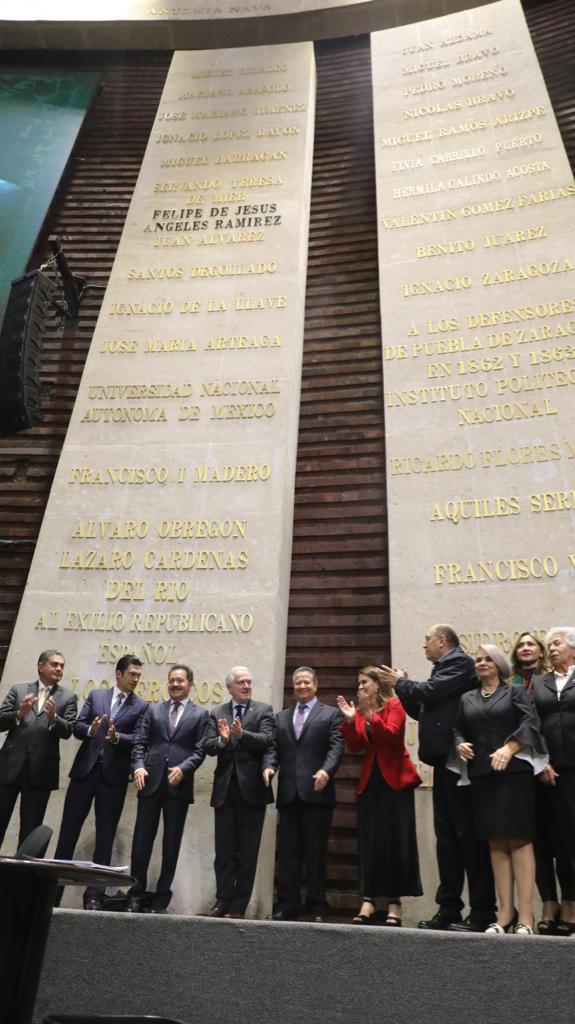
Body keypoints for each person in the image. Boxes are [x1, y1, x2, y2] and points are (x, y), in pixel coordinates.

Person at [380, 624, 496, 931]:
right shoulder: (443, 668)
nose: (424, 646)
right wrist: (401, 689)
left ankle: (483, 910)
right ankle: (449, 908)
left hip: (461, 763)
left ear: (442, 641)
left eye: (427, 640)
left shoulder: (458, 663)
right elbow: (423, 708)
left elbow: (429, 693)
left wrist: (402, 682)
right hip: (445, 763)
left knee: (466, 837)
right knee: (447, 839)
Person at [454, 643, 547, 935]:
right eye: (478, 660)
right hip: (482, 774)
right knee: (495, 842)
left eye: (487, 659)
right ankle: (505, 914)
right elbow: (458, 728)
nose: (481, 663)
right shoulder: (467, 697)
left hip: (513, 775)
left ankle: (527, 917)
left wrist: (509, 747)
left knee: (519, 840)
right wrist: (459, 744)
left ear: (499, 665)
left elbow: (530, 723)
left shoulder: (515, 692)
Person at [54, 654, 148, 909]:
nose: (136, 680)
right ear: (118, 674)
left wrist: (118, 738)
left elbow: (139, 740)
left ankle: (94, 896)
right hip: (84, 773)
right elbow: (78, 726)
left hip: (113, 779)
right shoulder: (97, 696)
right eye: (132, 674)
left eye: (139, 675)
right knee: (67, 834)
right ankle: (52, 894)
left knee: (105, 838)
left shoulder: (141, 707)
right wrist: (90, 731)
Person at [337, 666, 422, 926]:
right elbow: (356, 744)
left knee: (396, 842)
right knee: (371, 841)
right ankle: (369, 900)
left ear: (376, 684)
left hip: (395, 783)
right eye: (358, 683)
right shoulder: (363, 711)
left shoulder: (394, 704)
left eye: (364, 683)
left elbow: (392, 736)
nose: (360, 687)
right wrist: (352, 720)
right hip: (371, 783)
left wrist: (371, 714)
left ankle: (394, 903)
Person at [263, 666, 344, 922]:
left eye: (306, 682)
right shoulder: (281, 717)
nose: (301, 687)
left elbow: (336, 747)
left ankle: (318, 905)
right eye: (297, 683)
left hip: (317, 794)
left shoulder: (331, 715)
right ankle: (287, 905)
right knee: (288, 853)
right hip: (288, 794)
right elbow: (273, 748)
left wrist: (326, 771)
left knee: (316, 852)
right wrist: (269, 766)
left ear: (316, 685)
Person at [128, 663, 208, 913]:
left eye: (180, 681)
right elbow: (139, 743)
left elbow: (201, 749)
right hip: (150, 783)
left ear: (190, 684)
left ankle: (161, 898)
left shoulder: (201, 715)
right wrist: (138, 766)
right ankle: (136, 894)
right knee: (141, 842)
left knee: (170, 844)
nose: (175, 684)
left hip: (178, 786)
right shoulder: (153, 710)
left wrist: (184, 768)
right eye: (172, 680)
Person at [203, 665, 275, 919]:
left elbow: (268, 740)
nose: (246, 686)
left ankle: (238, 905)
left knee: (247, 852)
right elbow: (209, 746)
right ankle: (222, 900)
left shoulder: (263, 710)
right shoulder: (217, 712)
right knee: (224, 852)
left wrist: (242, 735)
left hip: (253, 791)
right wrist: (223, 740)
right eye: (241, 682)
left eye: (249, 682)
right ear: (230, 687)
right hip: (225, 790)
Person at [0, 650, 77, 850]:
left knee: (30, 835)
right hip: (9, 768)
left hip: (40, 772)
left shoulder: (68, 697)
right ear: (40, 666)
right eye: (54, 664)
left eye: (62, 665)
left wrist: (54, 719)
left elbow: (69, 730)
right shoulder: (19, 690)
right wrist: (19, 713)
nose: (59, 669)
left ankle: (22, 881)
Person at [532, 626, 575, 936]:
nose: (551, 649)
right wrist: (541, 760)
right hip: (547, 772)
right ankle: (550, 904)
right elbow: (531, 724)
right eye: (549, 645)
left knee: (571, 840)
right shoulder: (539, 682)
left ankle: (571, 903)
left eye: (557, 643)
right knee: (547, 839)